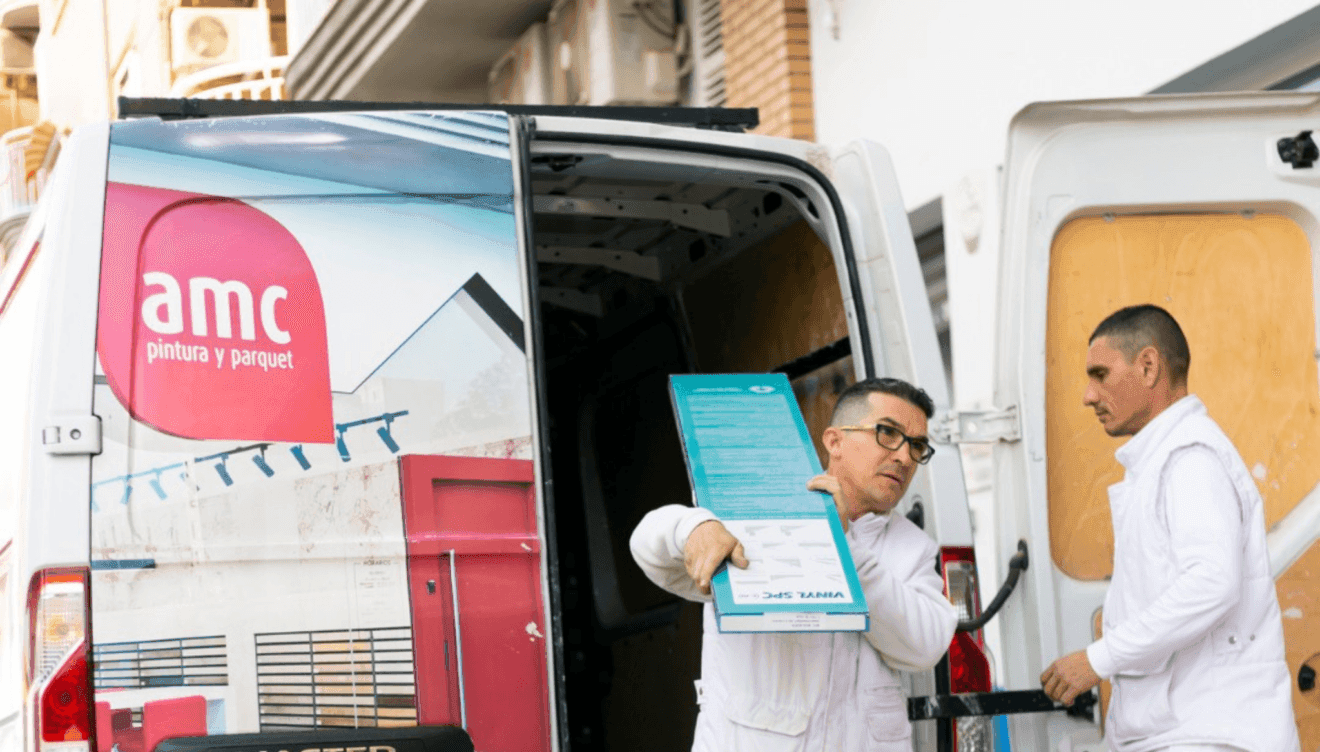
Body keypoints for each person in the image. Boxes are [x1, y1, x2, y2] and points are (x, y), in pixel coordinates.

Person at [630, 377, 958, 751]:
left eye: (917, 446)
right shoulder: (761, 505)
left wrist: (845, 546)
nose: (903, 456)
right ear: (834, 441)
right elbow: (647, 545)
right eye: (887, 433)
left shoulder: (913, 547)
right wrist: (693, 529)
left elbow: (925, 645)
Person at [1040, 304, 1299, 752]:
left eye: (1100, 374)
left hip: (1210, 735)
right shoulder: (1163, 461)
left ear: (1147, 366)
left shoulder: (1190, 458)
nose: (1087, 395)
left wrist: (1096, 660)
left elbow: (1212, 582)